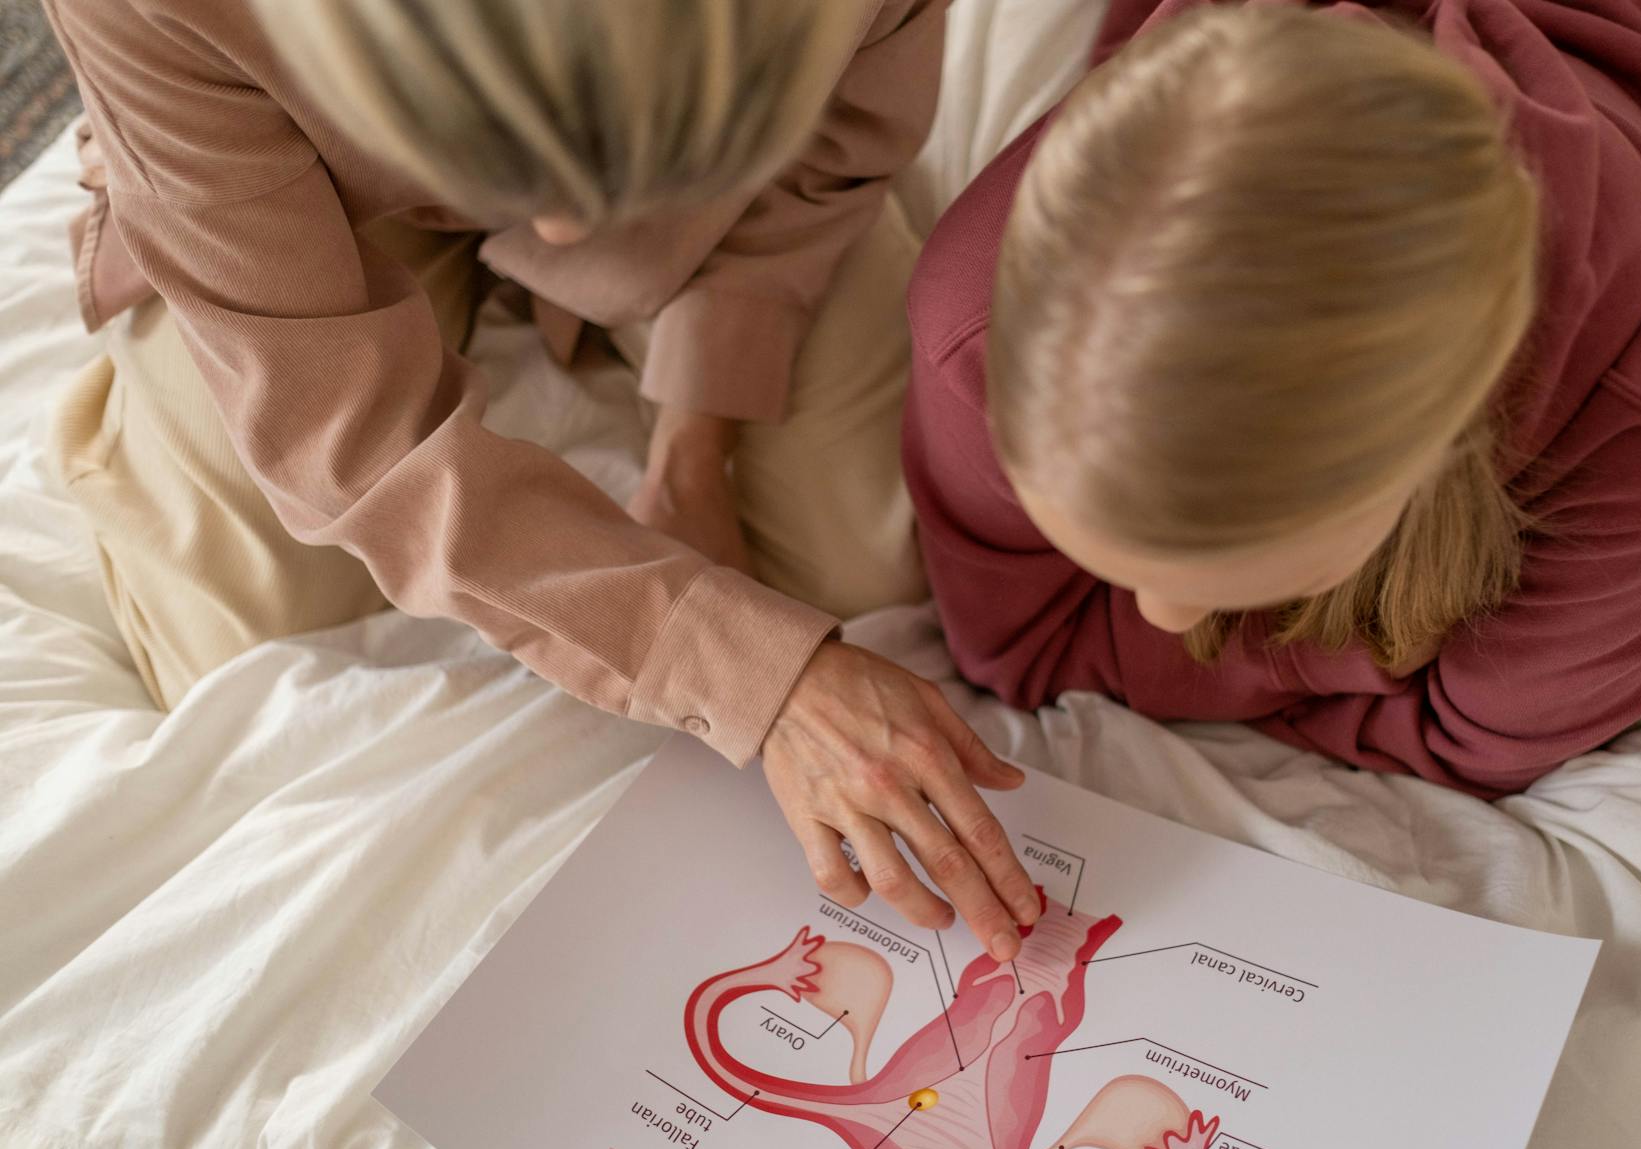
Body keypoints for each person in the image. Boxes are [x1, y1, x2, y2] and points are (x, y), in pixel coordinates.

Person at [42, 0, 1041, 958]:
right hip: (289, 189)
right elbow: (350, 446)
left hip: (716, 208)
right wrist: (747, 674)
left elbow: (825, 155)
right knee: (247, 657)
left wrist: (698, 443)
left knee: (871, 562)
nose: (561, 232)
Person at [904, 0, 1641, 798]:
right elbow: (1015, 648)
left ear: (1431, 454)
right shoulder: (979, 312)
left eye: (1221, 574)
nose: (1156, 619)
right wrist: (1362, 668)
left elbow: (1480, 744)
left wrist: (1258, 661)